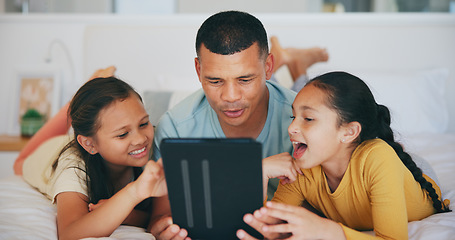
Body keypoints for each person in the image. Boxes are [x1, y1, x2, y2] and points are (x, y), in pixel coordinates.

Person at [147, 10, 329, 240]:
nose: (230, 96)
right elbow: (160, 216)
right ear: (198, 70)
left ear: (269, 66)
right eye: (215, 81)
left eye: (245, 79)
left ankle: (297, 63)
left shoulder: (304, 122)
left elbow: (329, 209)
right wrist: (164, 230)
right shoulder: (175, 127)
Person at [236, 71, 451, 240]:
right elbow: (263, 227)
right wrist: (260, 172)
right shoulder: (302, 166)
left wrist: (328, 230)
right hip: (355, 165)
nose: (291, 127)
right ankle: (298, 68)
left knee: (384, 152)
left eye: (308, 118)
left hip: (414, 173)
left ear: (349, 132)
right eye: (294, 116)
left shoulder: (378, 158)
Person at [20, 72, 168, 239]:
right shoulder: (73, 164)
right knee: (19, 162)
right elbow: (70, 233)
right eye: (122, 134)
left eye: (143, 123)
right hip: (46, 155)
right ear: (89, 144)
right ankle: (81, 93)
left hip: (85, 140)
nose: (141, 138)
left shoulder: (155, 143)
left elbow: (158, 216)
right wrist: (133, 193)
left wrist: (128, 214)